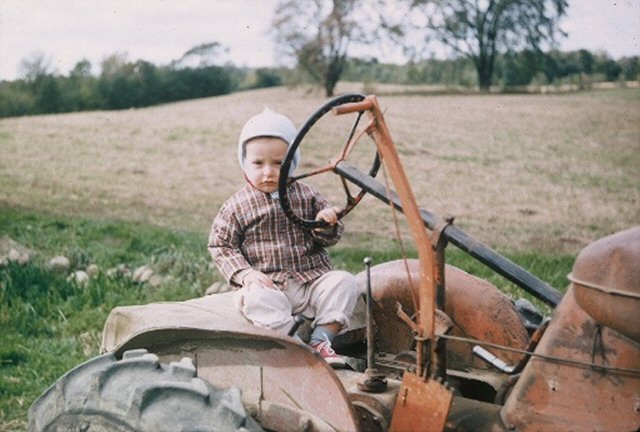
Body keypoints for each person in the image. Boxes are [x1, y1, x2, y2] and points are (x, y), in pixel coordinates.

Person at [208, 107, 361, 367]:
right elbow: (220, 244)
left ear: (294, 162)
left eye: (279, 163)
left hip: (310, 281)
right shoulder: (237, 205)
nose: (269, 172)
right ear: (244, 162)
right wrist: (245, 275)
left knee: (345, 282)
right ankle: (295, 346)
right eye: (258, 163)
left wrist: (327, 223)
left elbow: (329, 237)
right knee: (254, 298)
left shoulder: (308, 195)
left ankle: (321, 341)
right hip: (270, 286)